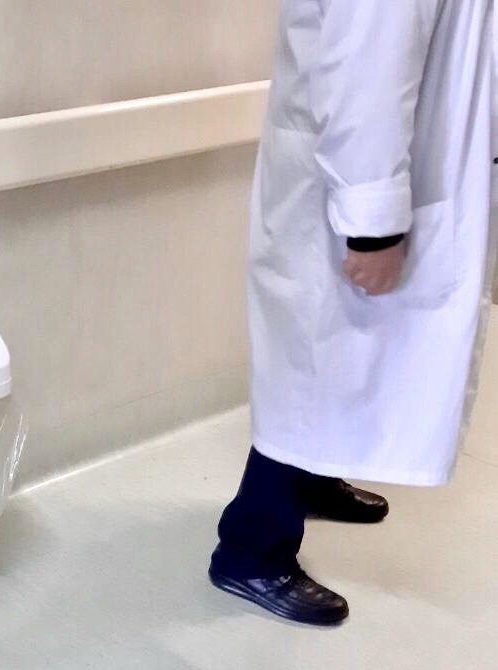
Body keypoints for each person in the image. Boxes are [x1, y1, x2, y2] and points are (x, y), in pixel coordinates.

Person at [210, 0, 497, 625]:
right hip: (354, 187)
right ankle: (252, 551)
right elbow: (367, 70)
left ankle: (315, 478)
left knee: (333, 360)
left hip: (396, 166)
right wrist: (373, 225)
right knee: (310, 371)